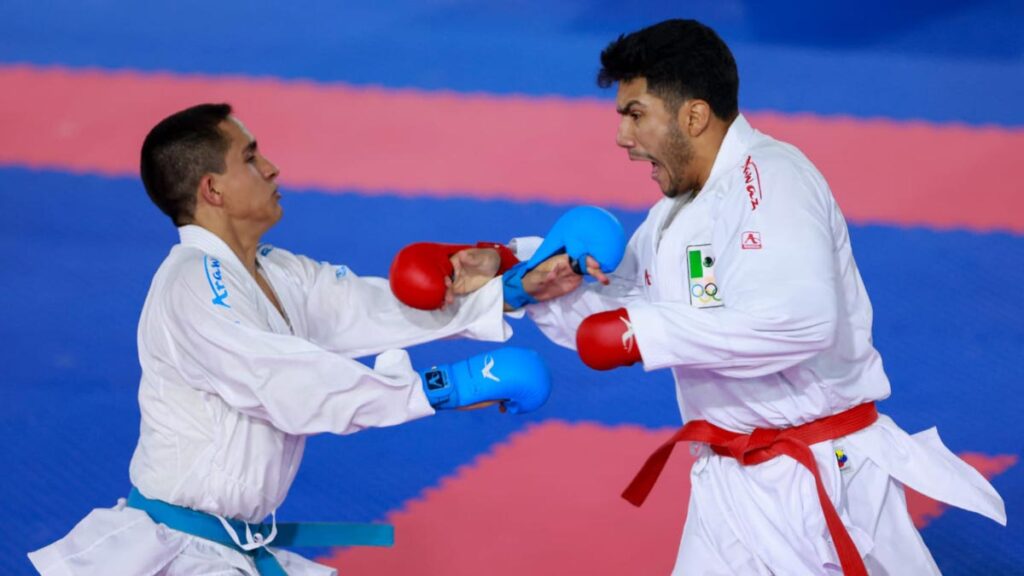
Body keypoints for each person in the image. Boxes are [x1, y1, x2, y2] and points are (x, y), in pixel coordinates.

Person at [396, 19, 1006, 575]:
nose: (621, 137)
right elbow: (626, 304)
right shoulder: (676, 212)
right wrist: (515, 276)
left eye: (635, 114)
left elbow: (801, 322)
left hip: (821, 480)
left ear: (692, 116)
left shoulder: (772, 181)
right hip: (729, 482)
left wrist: (644, 335)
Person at [27, 103, 582, 576]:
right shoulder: (192, 286)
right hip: (182, 554)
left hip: (231, 548)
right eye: (250, 157)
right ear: (212, 189)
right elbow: (291, 383)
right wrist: (441, 388)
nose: (271, 169)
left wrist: (508, 288)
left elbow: (373, 308)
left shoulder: (280, 272)